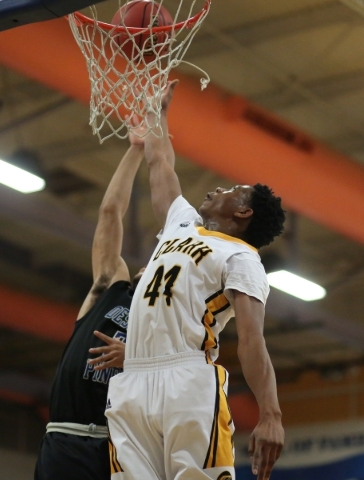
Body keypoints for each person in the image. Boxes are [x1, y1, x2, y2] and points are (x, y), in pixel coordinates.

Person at [104, 81, 285, 480]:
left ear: (243, 213)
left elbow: (252, 340)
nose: (218, 187)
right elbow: (159, 164)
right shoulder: (181, 223)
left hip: (188, 380)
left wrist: (270, 413)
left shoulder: (241, 257)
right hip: (132, 380)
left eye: (232, 190)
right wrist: (157, 112)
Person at [34, 124, 146, 480]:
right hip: (64, 437)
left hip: (116, 448)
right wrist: (137, 149)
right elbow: (110, 213)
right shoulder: (112, 287)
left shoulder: (169, 323)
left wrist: (137, 359)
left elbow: (188, 378)